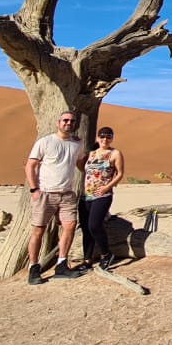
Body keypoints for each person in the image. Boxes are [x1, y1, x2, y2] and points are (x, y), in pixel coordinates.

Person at [24, 111, 89, 285]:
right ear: (58, 123)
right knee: (38, 230)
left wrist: (96, 161)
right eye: (65, 120)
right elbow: (30, 165)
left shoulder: (77, 143)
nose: (68, 123)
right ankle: (33, 268)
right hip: (45, 193)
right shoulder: (45, 142)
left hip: (67, 194)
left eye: (72, 121)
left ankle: (61, 265)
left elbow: (81, 164)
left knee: (70, 226)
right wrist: (34, 189)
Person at [79, 125, 125, 271]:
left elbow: (120, 174)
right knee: (86, 228)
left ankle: (106, 254)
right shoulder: (91, 153)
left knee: (94, 225)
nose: (105, 139)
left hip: (103, 195)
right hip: (86, 196)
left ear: (112, 138)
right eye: (102, 136)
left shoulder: (115, 153)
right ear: (98, 138)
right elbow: (82, 168)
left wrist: (107, 187)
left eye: (108, 136)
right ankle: (87, 260)